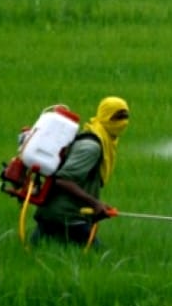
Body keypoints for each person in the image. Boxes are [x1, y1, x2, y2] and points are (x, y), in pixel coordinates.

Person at [31, 96, 130, 247]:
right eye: (117, 117)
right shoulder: (91, 147)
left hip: (54, 213)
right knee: (99, 260)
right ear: (105, 116)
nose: (123, 122)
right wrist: (95, 204)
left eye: (125, 117)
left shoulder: (100, 140)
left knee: (38, 252)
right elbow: (63, 180)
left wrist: (96, 206)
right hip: (68, 216)